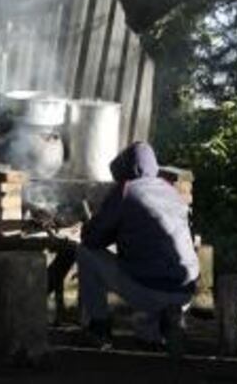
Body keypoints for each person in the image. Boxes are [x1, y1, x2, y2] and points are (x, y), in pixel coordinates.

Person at [77, 141, 199, 351]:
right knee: (151, 265)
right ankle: (160, 326)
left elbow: (92, 239)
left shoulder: (127, 190)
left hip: (150, 288)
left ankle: (99, 328)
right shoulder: (171, 191)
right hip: (185, 289)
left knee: (86, 253)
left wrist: (91, 225)